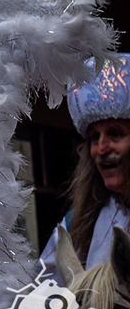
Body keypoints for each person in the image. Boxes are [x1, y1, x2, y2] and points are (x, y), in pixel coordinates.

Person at [39, 53, 130, 280]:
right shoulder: (77, 223)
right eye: (94, 137)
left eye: (115, 134)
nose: (101, 149)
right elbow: (42, 296)